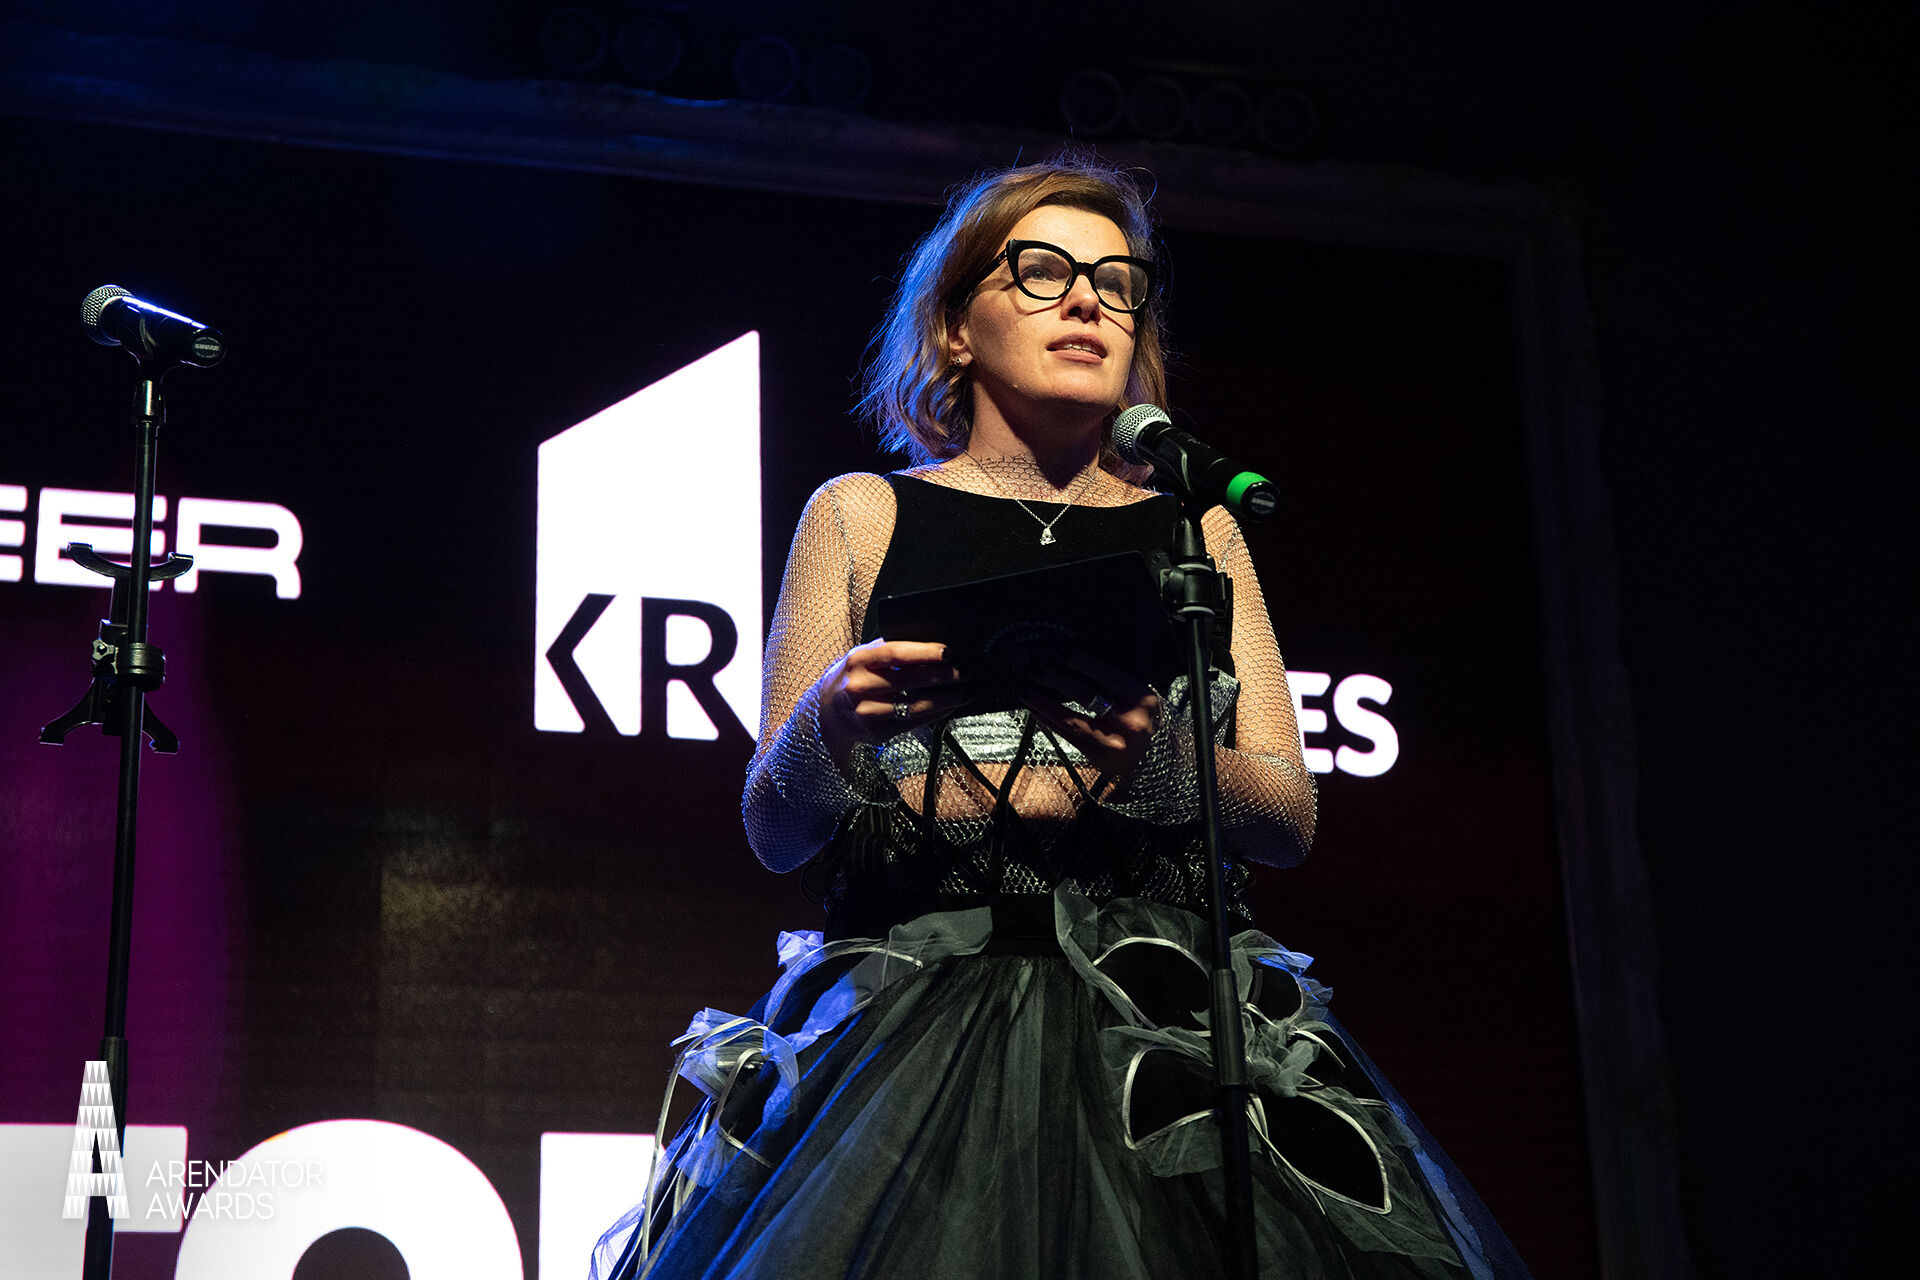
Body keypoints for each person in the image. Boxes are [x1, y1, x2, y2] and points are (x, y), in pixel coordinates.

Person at [592, 158, 1530, 1280]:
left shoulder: (1198, 532)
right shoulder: (860, 514)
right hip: (912, 1027)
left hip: (1168, 1033)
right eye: (1041, 271)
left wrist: (1168, 766)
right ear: (953, 329)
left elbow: (1289, 817)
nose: (1087, 301)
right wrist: (827, 729)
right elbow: (775, 828)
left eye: (1117, 283)